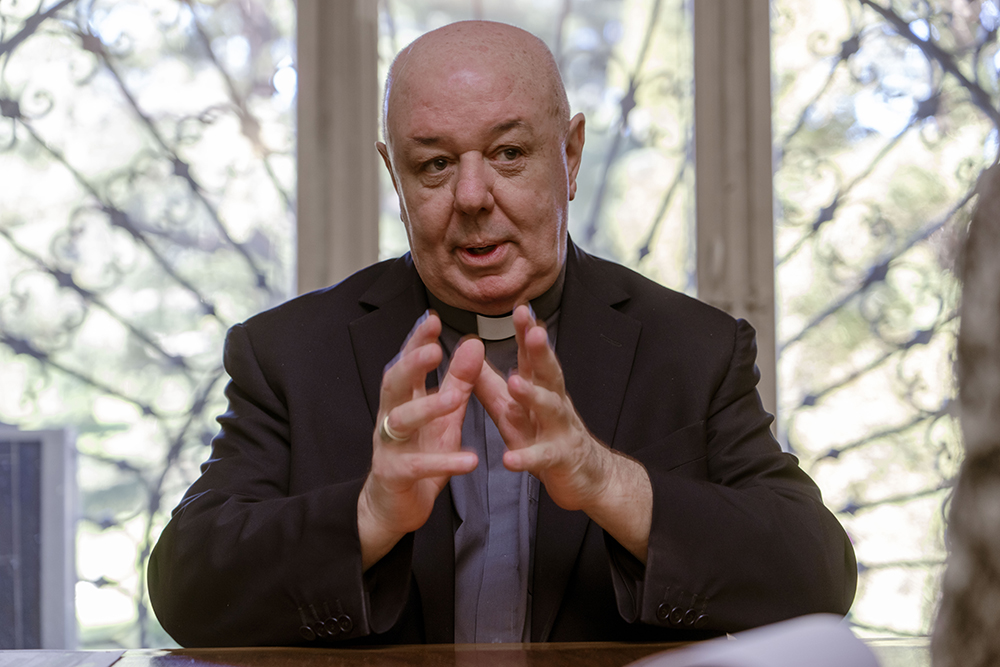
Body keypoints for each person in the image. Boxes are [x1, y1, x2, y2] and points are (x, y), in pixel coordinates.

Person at [148, 20, 856, 647]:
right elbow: (187, 587)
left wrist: (607, 481)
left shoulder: (693, 349)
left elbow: (816, 573)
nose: (473, 197)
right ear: (395, 175)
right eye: (434, 163)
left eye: (510, 153)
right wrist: (369, 514)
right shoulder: (289, 355)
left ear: (570, 156)